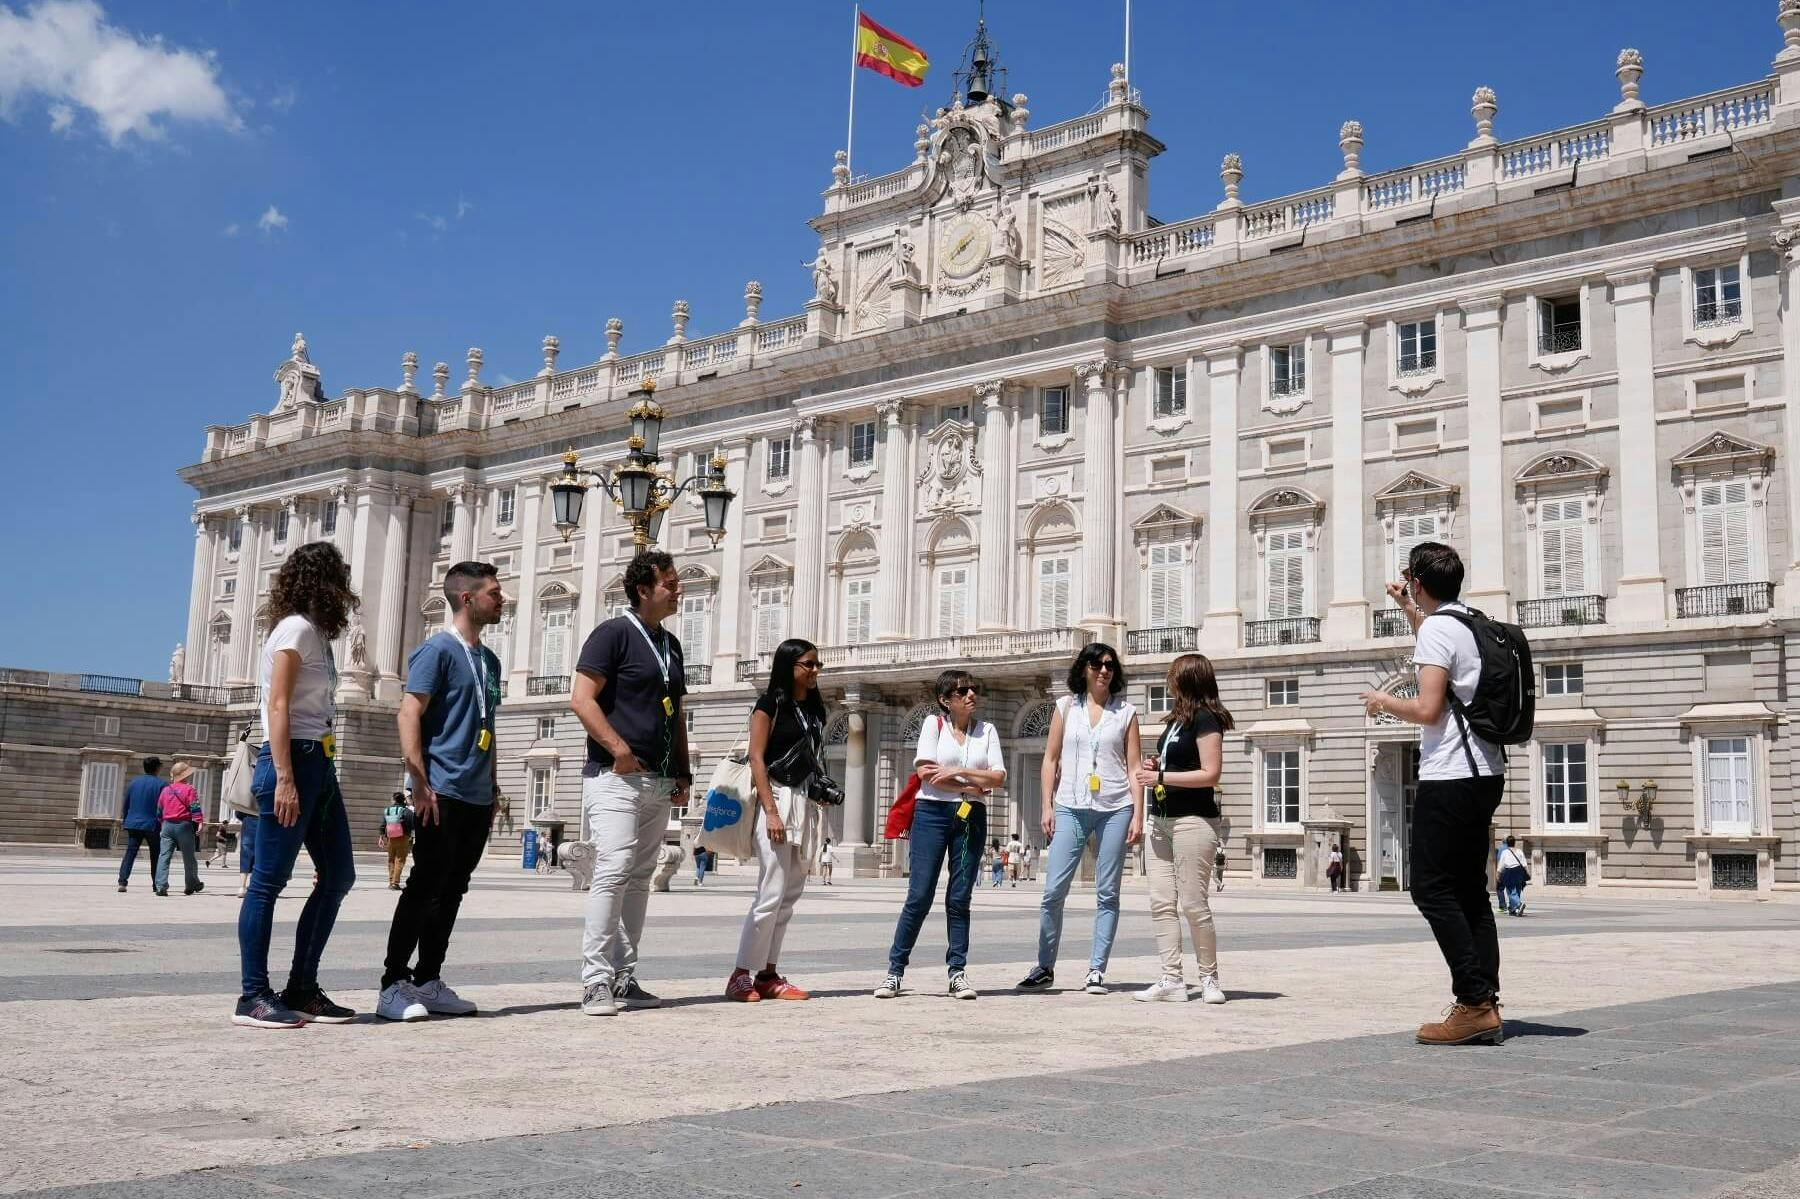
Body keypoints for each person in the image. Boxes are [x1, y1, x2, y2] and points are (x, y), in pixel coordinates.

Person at [1360, 541, 1506, 1047]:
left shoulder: (1440, 629)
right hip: (1486, 771)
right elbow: (1439, 651)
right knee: (1470, 891)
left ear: (1419, 581)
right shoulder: (1469, 622)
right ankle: (1485, 998)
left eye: (1410, 583)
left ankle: (1472, 1001)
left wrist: (1382, 701)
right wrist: (1410, 609)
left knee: (1430, 888)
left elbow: (1427, 709)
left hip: (1451, 775)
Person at [236, 540, 359, 1029]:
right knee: (267, 882)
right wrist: (285, 776)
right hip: (293, 763)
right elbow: (279, 706)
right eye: (339, 580)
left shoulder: (313, 633)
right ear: (321, 581)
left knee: (339, 875)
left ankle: (303, 988)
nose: (345, 591)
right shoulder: (294, 629)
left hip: (319, 763)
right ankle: (252, 996)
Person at [378, 560, 505, 1022]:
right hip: (441, 788)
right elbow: (409, 713)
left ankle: (429, 978)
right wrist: (419, 781)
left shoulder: (489, 660)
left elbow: (488, 725)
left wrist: (492, 785)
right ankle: (393, 983)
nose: (501, 599)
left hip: (474, 792)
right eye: (494, 592)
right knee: (424, 886)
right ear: (468, 598)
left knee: (453, 889)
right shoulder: (437, 651)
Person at [572, 550, 692, 1017]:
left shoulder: (671, 644)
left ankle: (625, 974)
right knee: (614, 870)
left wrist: (681, 769)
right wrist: (617, 748)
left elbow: (676, 712)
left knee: (641, 877)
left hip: (658, 781)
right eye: (670, 582)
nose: (677, 589)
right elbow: (582, 700)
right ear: (643, 589)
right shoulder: (612, 634)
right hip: (615, 778)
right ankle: (595, 980)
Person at [874, 669, 1005, 1001]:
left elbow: (998, 776)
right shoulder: (932, 725)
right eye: (963, 692)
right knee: (919, 895)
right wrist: (974, 784)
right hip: (931, 814)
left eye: (973, 689)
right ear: (945, 700)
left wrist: (959, 771)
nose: (971, 695)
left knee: (960, 897)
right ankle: (894, 971)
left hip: (970, 817)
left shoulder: (987, 730)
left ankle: (957, 972)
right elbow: (926, 775)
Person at [1019, 643, 1142, 995]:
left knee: (1108, 892)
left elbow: (1134, 767)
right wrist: (1046, 805)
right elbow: (1050, 759)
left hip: (1115, 806)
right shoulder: (1064, 707)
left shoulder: (1126, 712)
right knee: (1053, 890)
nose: (1104, 670)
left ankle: (1096, 970)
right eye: (1097, 664)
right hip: (1070, 805)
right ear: (1084, 669)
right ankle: (1044, 966)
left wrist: (1137, 813)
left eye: (1109, 665)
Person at [729, 639, 829, 1002]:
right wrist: (770, 811)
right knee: (770, 891)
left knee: (790, 894)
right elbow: (756, 758)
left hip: (803, 800)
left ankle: (768, 974)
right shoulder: (769, 703)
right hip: (776, 797)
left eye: (818, 664)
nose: (816, 670)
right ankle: (740, 973)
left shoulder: (816, 709)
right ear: (790, 667)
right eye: (809, 664)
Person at [1131, 652, 1231, 1005]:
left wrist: (1158, 775)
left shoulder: (1206, 718)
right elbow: (1180, 764)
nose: (1168, 679)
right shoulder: (1175, 720)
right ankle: (1172, 979)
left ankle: (1209, 978)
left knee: (1192, 903)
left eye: (1173, 674)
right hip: (1161, 820)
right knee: (1161, 902)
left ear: (1188, 678)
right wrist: (1158, 763)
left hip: (1193, 820)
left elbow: (1210, 774)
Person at [153, 762, 205, 897]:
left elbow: (159, 810)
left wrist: (162, 823)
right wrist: (199, 822)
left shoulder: (165, 790)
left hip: (167, 826)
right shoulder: (189, 789)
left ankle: (161, 886)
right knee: (189, 857)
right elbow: (194, 807)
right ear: (185, 775)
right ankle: (190, 885)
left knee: (164, 856)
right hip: (184, 825)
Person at [117, 757, 165, 892]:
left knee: (130, 853)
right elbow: (164, 806)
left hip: (134, 823)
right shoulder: (162, 785)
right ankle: (156, 884)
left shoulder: (134, 783)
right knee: (156, 854)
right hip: (153, 824)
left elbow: (126, 803)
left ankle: (122, 882)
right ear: (158, 768)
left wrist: (126, 819)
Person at [379, 791, 417, 891]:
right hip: (403, 837)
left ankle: (391, 881)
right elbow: (413, 824)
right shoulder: (406, 810)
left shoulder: (387, 810)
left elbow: (383, 825)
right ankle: (395, 883)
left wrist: (381, 836)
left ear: (394, 799)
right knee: (399, 860)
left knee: (391, 860)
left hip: (390, 838)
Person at [1498, 836, 1529, 916]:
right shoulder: (1519, 851)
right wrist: (1527, 872)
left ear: (1507, 843)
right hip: (1519, 871)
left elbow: (1501, 864)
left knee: (1511, 891)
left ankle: (1519, 904)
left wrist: (1498, 874)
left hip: (1510, 871)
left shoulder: (1505, 852)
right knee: (1517, 890)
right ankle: (1512, 909)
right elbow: (1524, 863)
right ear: (1514, 842)